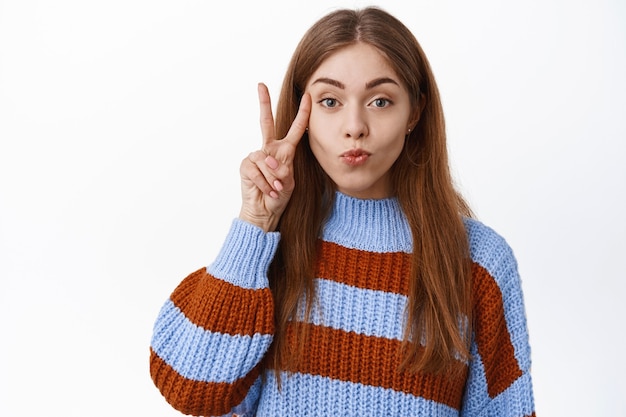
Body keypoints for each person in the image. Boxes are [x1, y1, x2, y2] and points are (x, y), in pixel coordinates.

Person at [149, 6, 535, 417]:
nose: (355, 126)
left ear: (415, 113)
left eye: (380, 101)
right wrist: (255, 223)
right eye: (330, 101)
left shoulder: (479, 263)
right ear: (304, 112)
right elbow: (189, 390)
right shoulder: (265, 252)